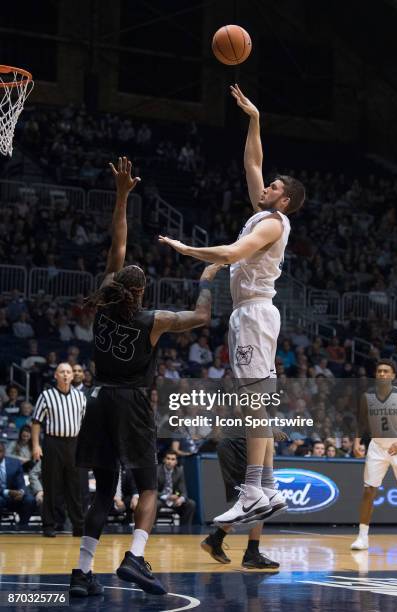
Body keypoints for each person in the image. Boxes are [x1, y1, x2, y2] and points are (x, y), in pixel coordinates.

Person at [70, 157, 222, 598]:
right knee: (150, 485)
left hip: (98, 399)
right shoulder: (154, 319)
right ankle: (135, 558)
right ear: (139, 293)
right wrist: (207, 277)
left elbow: (117, 243)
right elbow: (202, 316)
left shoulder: (101, 304)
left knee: (102, 495)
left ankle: (82, 573)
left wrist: (121, 196)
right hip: (131, 402)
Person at [159, 84, 305, 525]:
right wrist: (255, 119)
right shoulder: (264, 212)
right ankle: (266, 489)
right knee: (255, 401)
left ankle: (256, 489)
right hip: (251, 313)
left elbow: (229, 255)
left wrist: (188, 250)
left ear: (284, 201)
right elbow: (253, 162)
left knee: (253, 403)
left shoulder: (273, 224)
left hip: (255, 312)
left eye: (275, 186)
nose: (267, 185)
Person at [351, 359, 397, 550]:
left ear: (393, 375)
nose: (382, 374)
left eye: (386, 371)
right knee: (368, 491)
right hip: (376, 446)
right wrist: (357, 441)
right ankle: (362, 537)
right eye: (379, 371)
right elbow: (362, 423)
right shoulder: (367, 396)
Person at [201, 438, 280, 569]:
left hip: (237, 443)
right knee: (259, 497)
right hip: (240, 444)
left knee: (257, 498)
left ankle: (216, 539)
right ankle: (251, 552)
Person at [31, 362, 86, 538]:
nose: (65, 375)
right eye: (62, 372)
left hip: (75, 443)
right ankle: (49, 525)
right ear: (55, 375)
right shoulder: (46, 395)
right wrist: (35, 445)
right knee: (51, 485)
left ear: (72, 376)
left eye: (68, 372)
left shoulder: (80, 397)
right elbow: (36, 422)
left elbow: (85, 424)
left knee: (75, 486)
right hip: (53, 443)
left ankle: (78, 526)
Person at [0, 441, 36, 527]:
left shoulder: (15, 463)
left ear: (4, 452)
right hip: (2, 495)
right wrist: (8, 492)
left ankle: (22, 526)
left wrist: (21, 492)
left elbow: (21, 482)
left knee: (29, 500)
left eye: (0, 451)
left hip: (15, 496)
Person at [156, 451, 196, 526]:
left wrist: (180, 499)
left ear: (176, 462)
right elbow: (154, 491)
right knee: (155, 504)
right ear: (164, 460)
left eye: (173, 459)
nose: (170, 461)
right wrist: (167, 497)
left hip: (174, 500)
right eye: (168, 458)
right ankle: (151, 528)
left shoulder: (179, 472)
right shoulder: (157, 471)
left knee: (191, 504)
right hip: (161, 499)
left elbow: (184, 491)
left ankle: (184, 529)